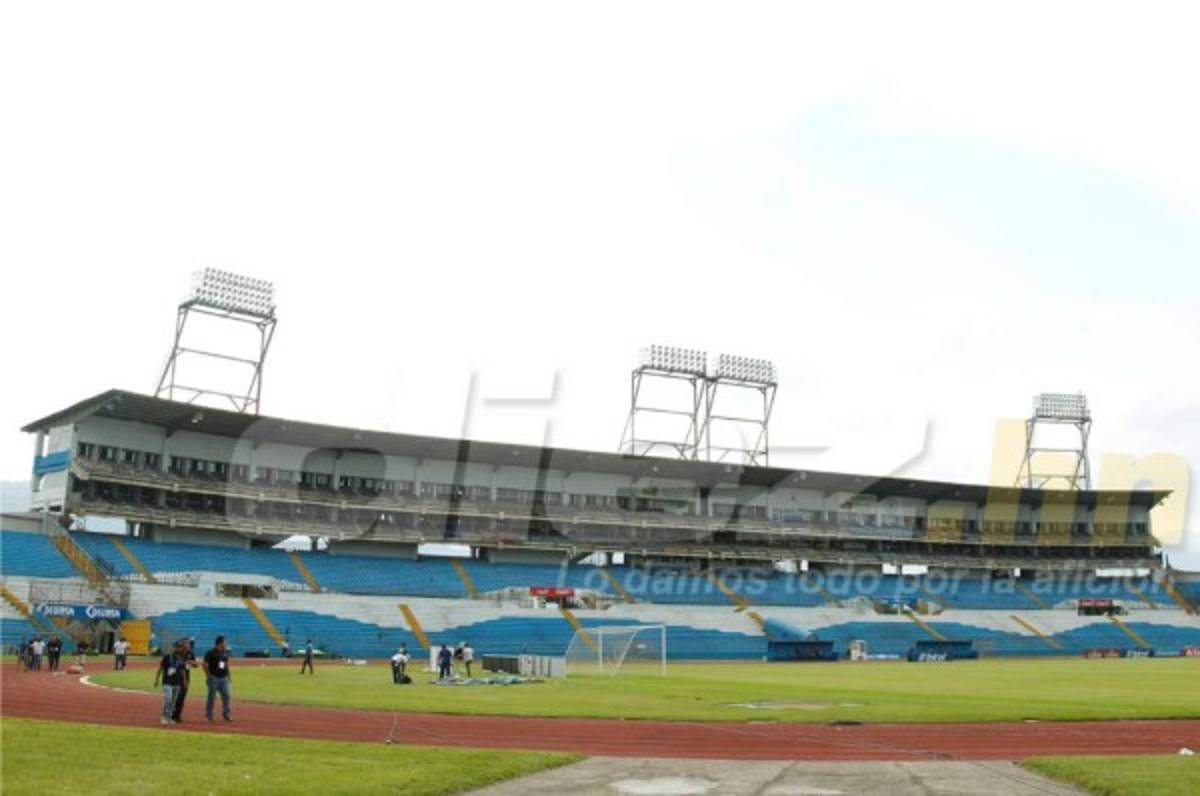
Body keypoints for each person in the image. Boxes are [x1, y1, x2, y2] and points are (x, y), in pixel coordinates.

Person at [154, 640, 187, 725]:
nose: (179, 649)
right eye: (177, 647)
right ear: (174, 647)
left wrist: (184, 681)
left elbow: (183, 670)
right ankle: (164, 716)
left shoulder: (182, 658)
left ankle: (169, 717)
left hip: (177, 682)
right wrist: (157, 679)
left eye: (180, 647)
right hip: (167, 681)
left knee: (173, 701)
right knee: (168, 698)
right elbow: (160, 668)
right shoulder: (167, 657)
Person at [202, 635, 233, 722]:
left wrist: (229, 675)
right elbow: (204, 664)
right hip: (214, 678)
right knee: (211, 697)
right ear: (220, 643)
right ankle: (209, 715)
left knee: (226, 696)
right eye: (225, 642)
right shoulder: (210, 653)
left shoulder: (224, 653)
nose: (226, 644)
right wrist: (208, 675)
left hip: (223, 678)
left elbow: (225, 664)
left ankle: (226, 714)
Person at [171, 638, 197, 723]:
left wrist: (190, 662)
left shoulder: (190, 653)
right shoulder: (178, 653)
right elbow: (181, 668)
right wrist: (185, 681)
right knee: (176, 697)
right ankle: (172, 714)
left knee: (181, 698)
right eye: (186, 644)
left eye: (188, 644)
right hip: (177, 678)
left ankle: (177, 715)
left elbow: (196, 665)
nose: (187, 645)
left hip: (186, 678)